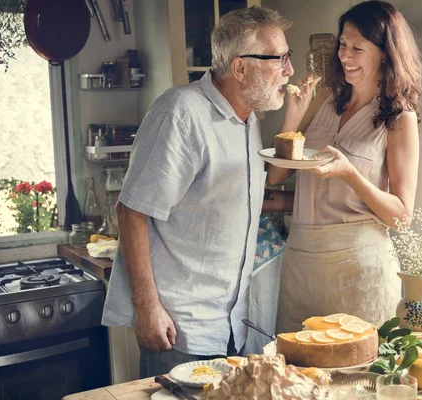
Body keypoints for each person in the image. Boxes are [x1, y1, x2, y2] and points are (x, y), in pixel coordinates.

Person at [101, 7, 303, 378]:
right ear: (240, 68)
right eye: (279, 59)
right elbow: (132, 210)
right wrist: (147, 307)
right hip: (180, 328)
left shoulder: (247, 119)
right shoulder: (181, 112)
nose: (289, 70)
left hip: (230, 325)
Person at [269, 0, 422, 333]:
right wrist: (294, 116)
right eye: (342, 45)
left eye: (357, 48)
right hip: (301, 262)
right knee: (297, 376)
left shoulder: (399, 118)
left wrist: (350, 173)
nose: (345, 56)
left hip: (359, 269)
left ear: (385, 53)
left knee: (357, 379)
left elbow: (401, 216)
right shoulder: (326, 98)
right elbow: (277, 175)